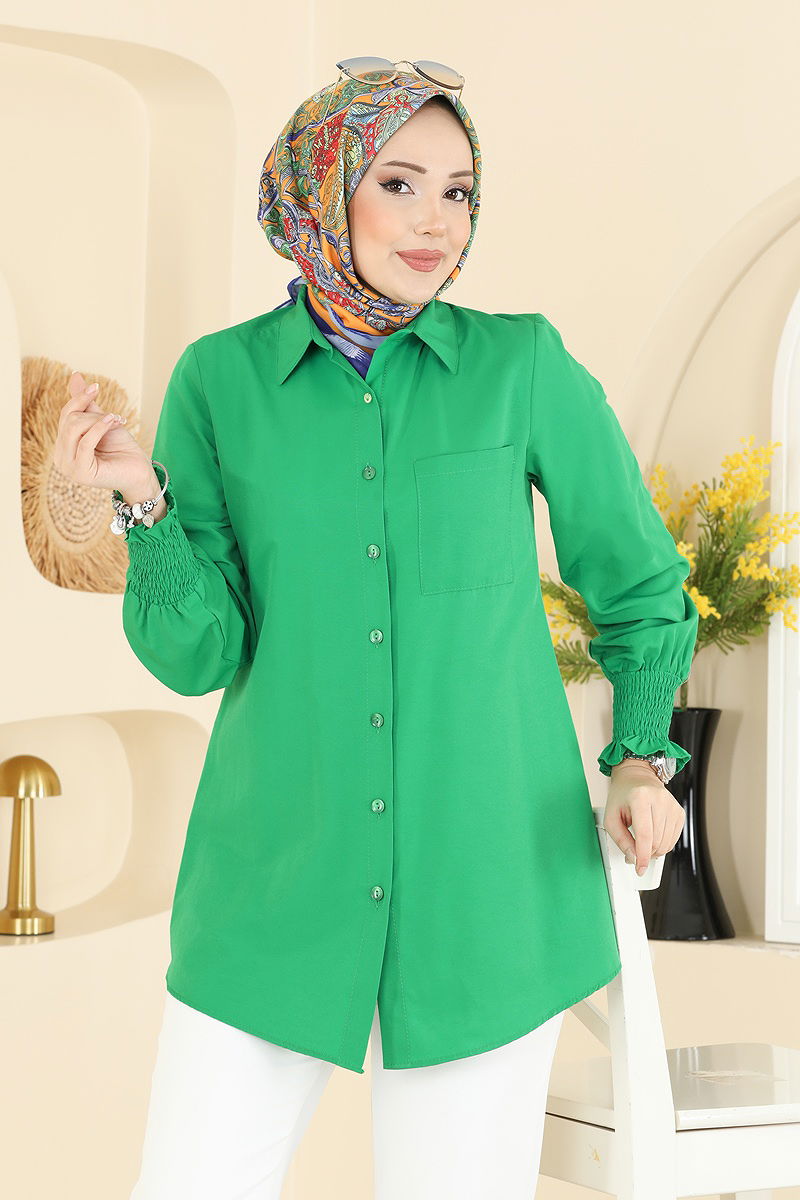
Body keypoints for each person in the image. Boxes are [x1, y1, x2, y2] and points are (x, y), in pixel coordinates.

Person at [55, 59, 698, 1200]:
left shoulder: (519, 365)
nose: (434, 222)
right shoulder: (219, 381)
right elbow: (200, 653)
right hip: (273, 878)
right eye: (398, 183)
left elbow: (642, 586)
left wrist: (640, 759)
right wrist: (142, 504)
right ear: (323, 188)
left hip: (487, 890)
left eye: (457, 192)